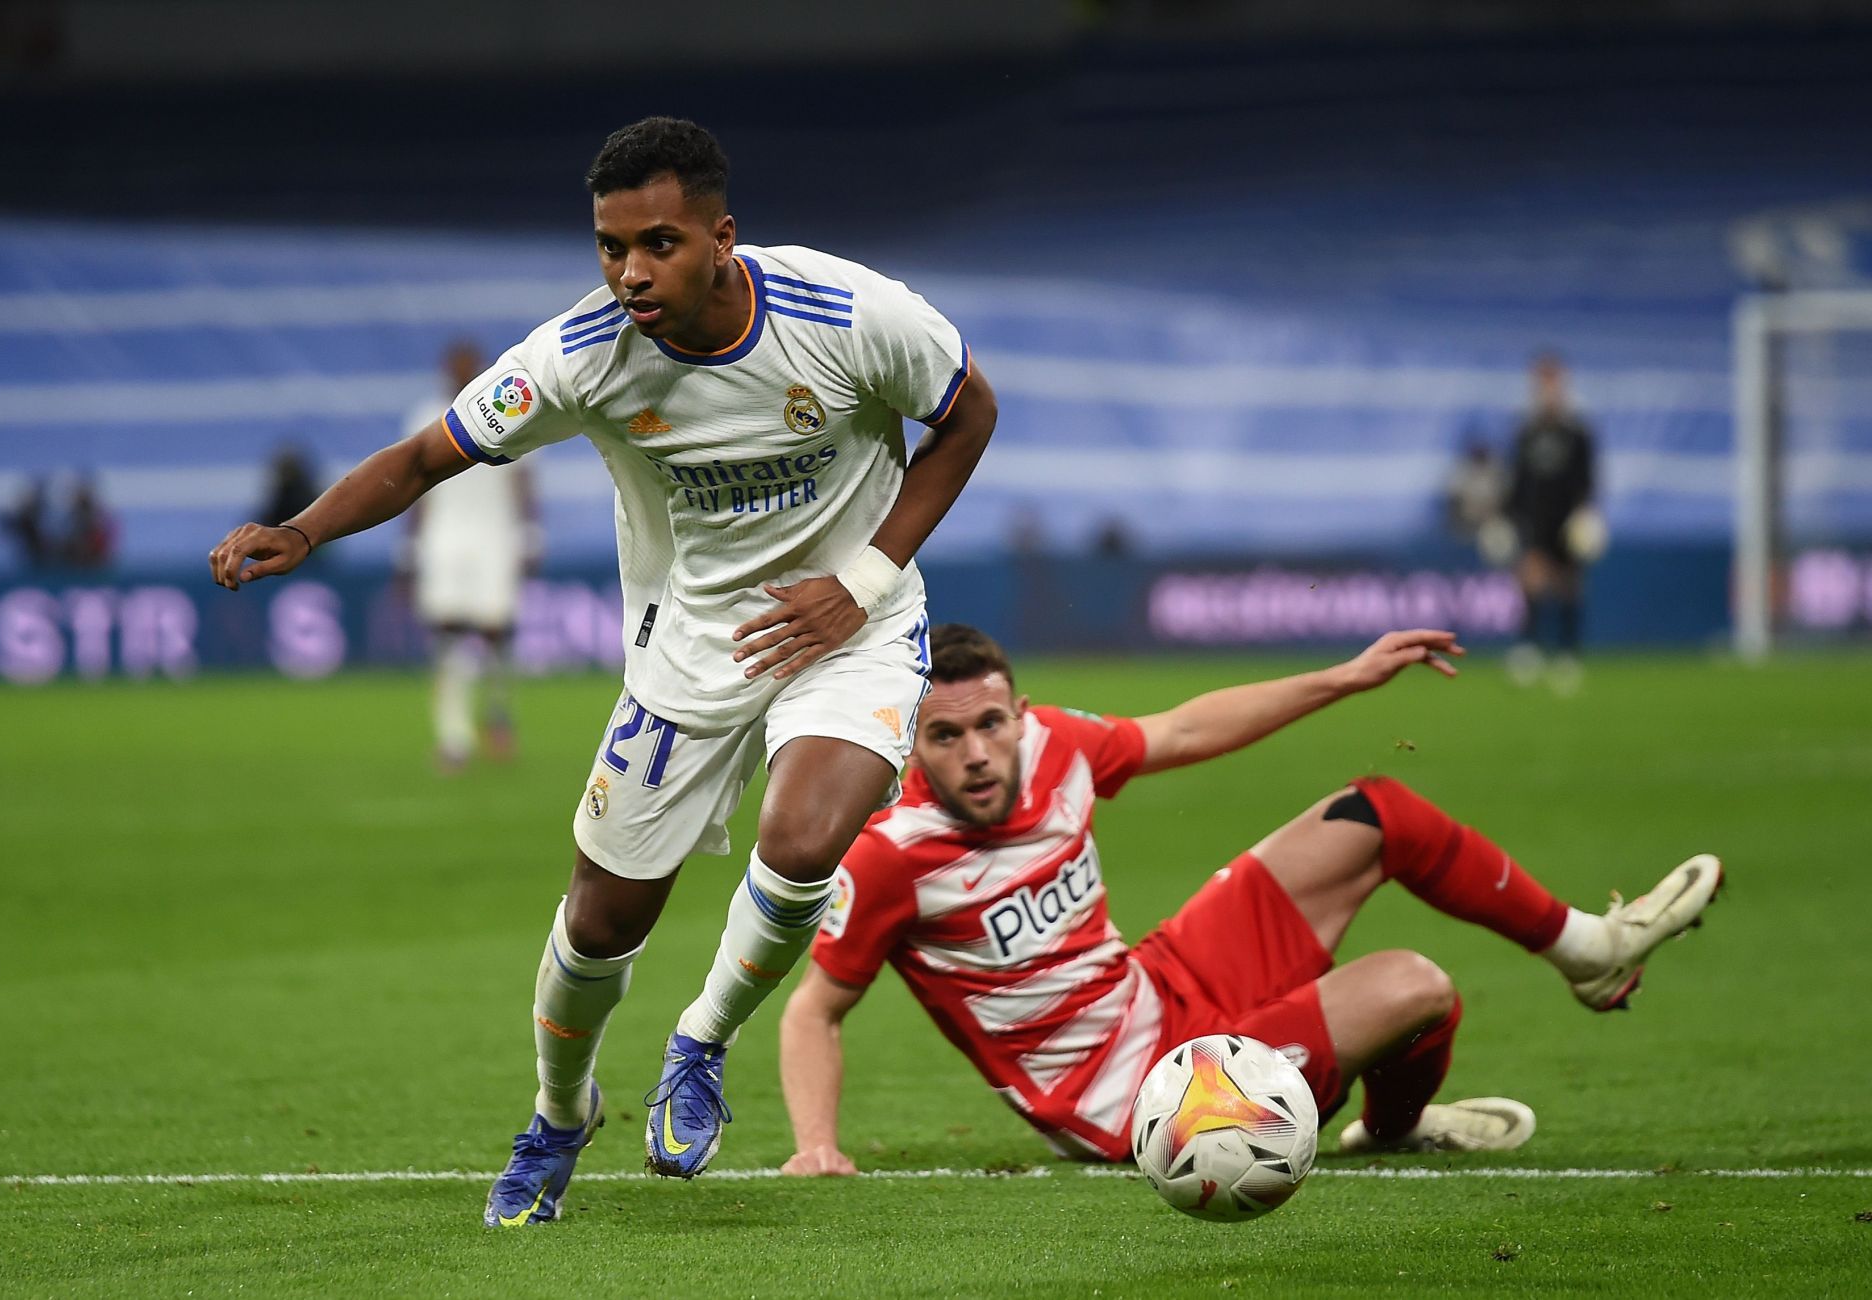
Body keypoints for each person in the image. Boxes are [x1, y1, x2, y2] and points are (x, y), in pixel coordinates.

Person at [205, 117, 996, 1223]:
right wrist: (304, 530)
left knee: (805, 837)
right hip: (690, 649)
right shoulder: (582, 353)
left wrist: (861, 582)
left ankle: (701, 1041)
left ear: (723, 238)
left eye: (659, 243)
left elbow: (969, 414)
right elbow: (429, 454)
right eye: (610, 247)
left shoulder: (852, 313)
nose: (631, 271)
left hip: (849, 626)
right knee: (601, 921)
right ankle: (559, 1114)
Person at [778, 624, 1720, 1173]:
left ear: (1021, 715)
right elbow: (816, 1008)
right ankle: (1391, 1131)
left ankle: (1589, 952)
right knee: (1418, 988)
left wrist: (1346, 677)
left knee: (1376, 813)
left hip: (1158, 986)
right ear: (910, 741)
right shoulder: (893, 856)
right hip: (1141, 1099)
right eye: (945, 737)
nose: (978, 753)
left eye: (992, 724)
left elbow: (1186, 727)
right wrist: (816, 1145)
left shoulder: (1056, 748)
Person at [398, 342, 540, 770]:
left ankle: (498, 716)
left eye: (468, 365)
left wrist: (530, 534)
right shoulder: (426, 416)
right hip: (444, 539)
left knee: (496, 630)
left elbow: (523, 480)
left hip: (496, 537)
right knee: (447, 634)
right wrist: (410, 546)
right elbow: (415, 483)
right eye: (455, 366)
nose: (461, 372)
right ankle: (454, 736)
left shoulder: (509, 410)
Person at [1504, 353, 1601, 690]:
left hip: (1567, 516)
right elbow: (1516, 479)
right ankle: (1529, 647)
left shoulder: (1577, 431)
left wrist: (1586, 512)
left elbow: (1588, 477)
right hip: (1534, 516)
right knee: (1530, 579)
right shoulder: (1525, 431)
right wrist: (1505, 518)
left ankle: (1568, 652)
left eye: (1551, 381)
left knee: (1569, 584)